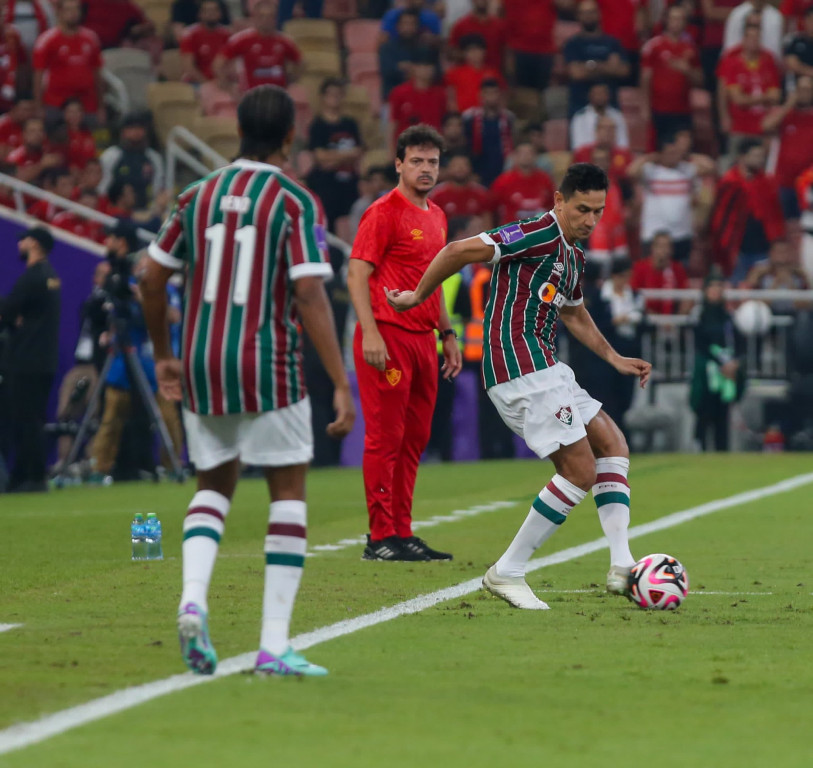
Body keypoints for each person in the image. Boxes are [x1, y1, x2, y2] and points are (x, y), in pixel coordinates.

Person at [140, 84, 354, 677]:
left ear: (239, 129)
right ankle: (274, 644)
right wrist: (339, 380)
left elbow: (149, 278)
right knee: (286, 490)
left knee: (214, 483)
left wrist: (163, 354)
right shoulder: (293, 201)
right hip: (267, 360)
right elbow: (310, 292)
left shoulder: (195, 194)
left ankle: (191, 599)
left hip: (202, 360)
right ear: (290, 136)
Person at [386, 163, 652, 609]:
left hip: (547, 367)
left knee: (613, 446)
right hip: (517, 367)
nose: (590, 220)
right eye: (582, 209)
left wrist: (613, 357)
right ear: (559, 201)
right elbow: (456, 250)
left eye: (598, 211)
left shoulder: (573, 254)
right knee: (580, 472)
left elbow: (572, 312)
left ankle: (622, 565)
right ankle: (507, 570)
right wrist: (416, 296)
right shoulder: (535, 232)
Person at [347, 124, 462, 562]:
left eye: (432, 161)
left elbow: (432, 282)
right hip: (388, 335)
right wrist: (370, 330)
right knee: (385, 436)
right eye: (416, 160)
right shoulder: (383, 211)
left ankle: (402, 531)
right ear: (399, 164)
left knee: (414, 438)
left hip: (423, 339)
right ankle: (379, 539)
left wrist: (447, 333)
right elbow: (357, 273)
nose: (426, 168)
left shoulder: (436, 215)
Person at [0, 226, 61, 492]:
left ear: (33, 244)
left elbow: (7, 309)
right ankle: (25, 476)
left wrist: (12, 318)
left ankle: (32, 478)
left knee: (25, 420)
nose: (19, 245)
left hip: (26, 360)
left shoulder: (32, 278)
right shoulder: (50, 277)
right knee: (33, 418)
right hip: (43, 360)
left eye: (22, 240)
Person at [710, 138, 785, 280]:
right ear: (742, 157)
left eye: (762, 156)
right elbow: (720, 219)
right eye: (755, 156)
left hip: (763, 248)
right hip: (736, 250)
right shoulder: (729, 182)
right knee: (736, 290)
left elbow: (775, 216)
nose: (760, 160)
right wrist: (723, 249)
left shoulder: (767, 182)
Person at [689, 272, 744, 451]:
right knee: (705, 410)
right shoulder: (700, 315)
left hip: (726, 369)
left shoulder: (727, 317)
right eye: (713, 287)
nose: (716, 291)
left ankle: (722, 448)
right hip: (707, 370)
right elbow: (701, 343)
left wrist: (734, 362)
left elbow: (737, 341)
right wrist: (720, 362)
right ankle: (702, 447)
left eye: (720, 287)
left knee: (723, 411)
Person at [32, 0, 105, 126]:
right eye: (68, 10)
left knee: (96, 139)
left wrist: (101, 107)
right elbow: (38, 76)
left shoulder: (91, 38)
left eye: (76, 9)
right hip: (55, 103)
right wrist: (38, 107)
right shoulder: (47, 40)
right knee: (57, 141)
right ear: (59, 12)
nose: (73, 13)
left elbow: (97, 74)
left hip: (87, 103)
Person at [640, 4, 703, 145]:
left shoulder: (690, 48)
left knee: (683, 148)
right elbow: (645, 78)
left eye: (680, 19)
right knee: (659, 148)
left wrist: (687, 70)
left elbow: (699, 80)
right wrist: (645, 107)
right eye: (673, 18)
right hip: (659, 109)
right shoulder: (653, 46)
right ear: (666, 20)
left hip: (682, 110)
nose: (676, 22)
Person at [306, 77, 363, 230]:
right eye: (331, 94)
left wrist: (332, 158)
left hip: (350, 183)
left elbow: (358, 152)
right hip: (327, 185)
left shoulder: (350, 123)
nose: (335, 98)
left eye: (338, 94)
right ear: (323, 97)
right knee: (324, 225)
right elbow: (320, 157)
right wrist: (346, 156)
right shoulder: (317, 125)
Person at [214, 0, 301, 93]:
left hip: (278, 94)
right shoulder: (241, 39)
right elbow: (218, 64)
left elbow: (301, 63)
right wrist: (230, 88)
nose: (265, 20)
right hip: (250, 95)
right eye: (262, 16)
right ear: (254, 18)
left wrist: (291, 80)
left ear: (276, 18)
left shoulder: (285, 41)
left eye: (270, 16)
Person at [563, 0, 630, 117]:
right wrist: (607, 67)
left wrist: (589, 66)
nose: (588, 16)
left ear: (599, 14)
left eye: (591, 12)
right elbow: (576, 73)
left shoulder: (612, 42)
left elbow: (623, 70)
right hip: (580, 106)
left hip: (610, 106)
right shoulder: (573, 44)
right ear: (578, 16)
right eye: (584, 12)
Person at [99, 114, 164, 210]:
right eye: (131, 128)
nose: (136, 132)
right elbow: (102, 186)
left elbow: (157, 187)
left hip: (144, 211)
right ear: (123, 132)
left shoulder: (154, 157)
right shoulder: (111, 155)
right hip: (115, 211)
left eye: (139, 128)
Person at [463, 78, 515, 187]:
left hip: (502, 167)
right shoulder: (469, 117)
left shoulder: (509, 118)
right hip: (477, 170)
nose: (491, 97)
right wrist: (470, 172)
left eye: (494, 93)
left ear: (500, 95)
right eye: (487, 93)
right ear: (481, 95)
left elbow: (513, 145)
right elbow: (465, 146)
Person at [489, 142, 555, 226]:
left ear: (536, 156)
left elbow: (553, 206)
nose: (526, 156)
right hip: (513, 229)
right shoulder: (503, 181)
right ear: (515, 157)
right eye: (522, 153)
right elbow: (491, 209)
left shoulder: (546, 179)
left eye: (529, 153)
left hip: (539, 228)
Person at [179, 0, 230, 84]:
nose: (211, 13)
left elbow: (231, 64)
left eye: (215, 10)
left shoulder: (227, 35)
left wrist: (222, 81)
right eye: (207, 10)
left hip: (221, 81)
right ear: (200, 14)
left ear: (220, 14)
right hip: (197, 82)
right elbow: (189, 68)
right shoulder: (189, 35)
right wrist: (206, 83)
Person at [570, 83, 629, 151]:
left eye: (603, 93)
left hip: (614, 156)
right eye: (597, 94)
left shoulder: (617, 116)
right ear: (590, 96)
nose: (600, 97)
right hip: (588, 156)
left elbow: (623, 144)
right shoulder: (580, 117)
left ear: (608, 96)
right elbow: (577, 146)